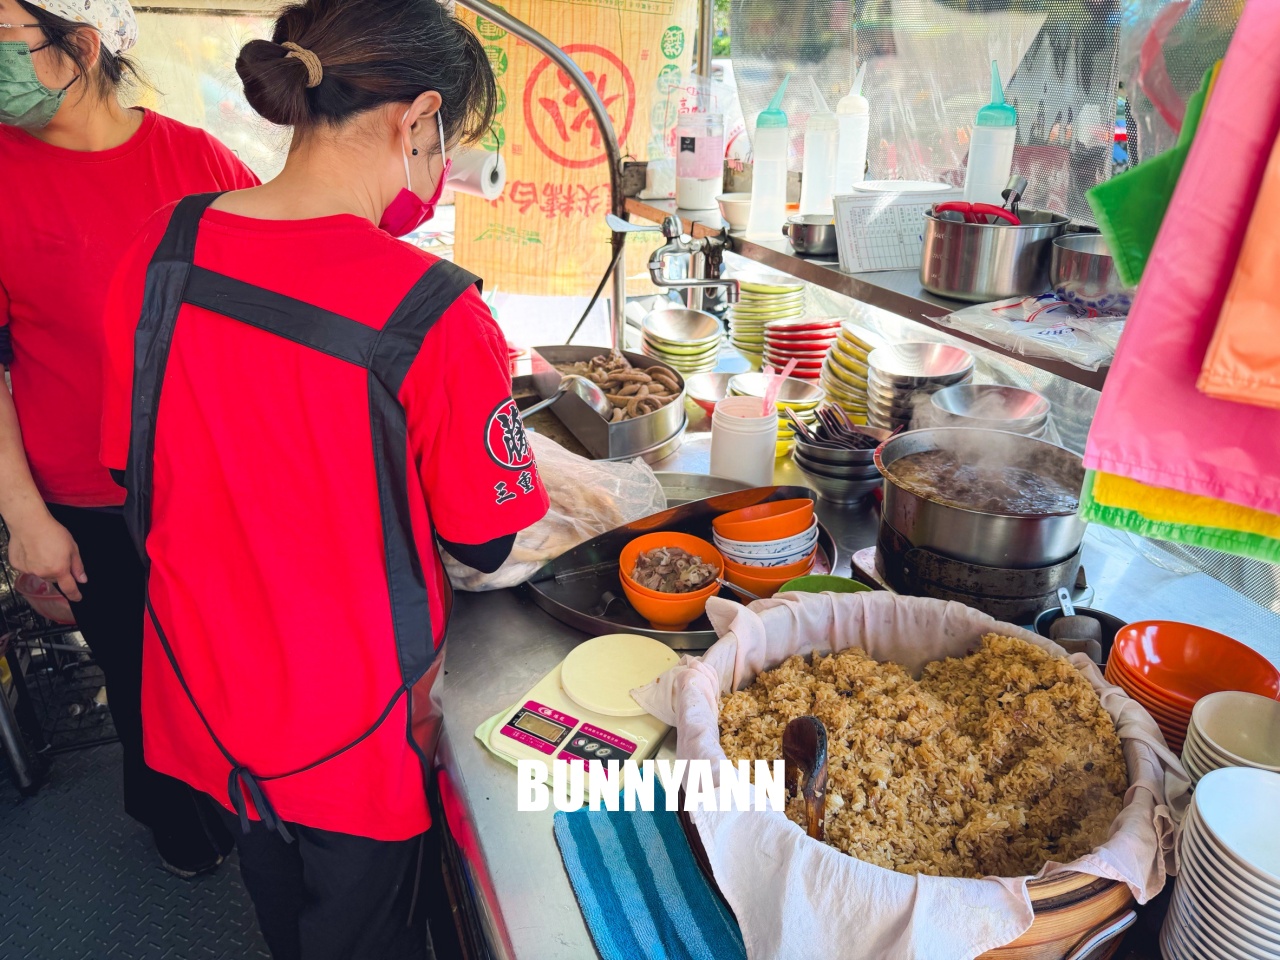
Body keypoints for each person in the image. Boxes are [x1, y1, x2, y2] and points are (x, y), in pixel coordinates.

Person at [99, 0, 547, 956]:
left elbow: (125, 464)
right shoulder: (434, 312)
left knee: (280, 908)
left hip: (207, 697)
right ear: (416, 117)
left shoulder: (158, 248)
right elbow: (485, 539)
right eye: (447, 139)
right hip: (353, 742)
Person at [0, 0, 258, 876]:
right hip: (82, 491)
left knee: (227, 659)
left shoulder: (196, 160)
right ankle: (171, 818)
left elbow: (281, 305)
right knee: (137, 671)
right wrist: (23, 519)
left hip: (207, 482)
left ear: (79, 42)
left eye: (1, 41)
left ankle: (251, 799)